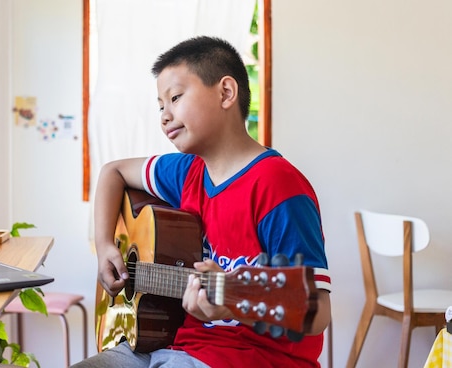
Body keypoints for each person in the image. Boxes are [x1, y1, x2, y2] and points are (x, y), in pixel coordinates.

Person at [72, 36, 331, 368]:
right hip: (173, 347)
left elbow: (318, 311)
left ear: (225, 92)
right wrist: (106, 246)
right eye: (160, 105)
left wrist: (236, 304)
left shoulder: (278, 185)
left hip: (256, 359)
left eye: (176, 98)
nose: (165, 116)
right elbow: (113, 172)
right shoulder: (186, 172)